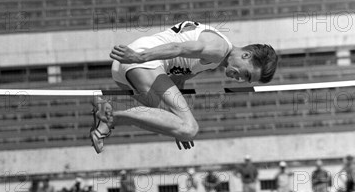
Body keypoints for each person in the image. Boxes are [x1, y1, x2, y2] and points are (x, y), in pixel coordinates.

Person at [90, 20, 278, 153]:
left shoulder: (214, 61)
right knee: (190, 129)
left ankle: (105, 114)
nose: (240, 79)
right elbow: (176, 48)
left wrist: (174, 126)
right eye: (246, 74)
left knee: (184, 128)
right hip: (141, 60)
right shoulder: (218, 48)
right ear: (246, 56)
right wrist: (140, 57)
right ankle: (111, 116)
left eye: (246, 80)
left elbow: (178, 82)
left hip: (125, 74)